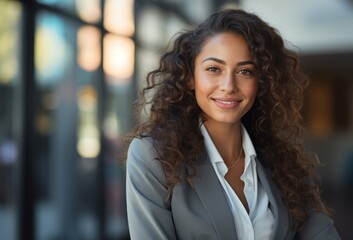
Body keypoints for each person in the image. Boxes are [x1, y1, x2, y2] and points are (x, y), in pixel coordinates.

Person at [125, 8, 341, 239]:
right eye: (214, 69)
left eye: (245, 71)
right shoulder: (153, 157)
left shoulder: (281, 161)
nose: (229, 85)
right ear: (190, 77)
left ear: (261, 81)